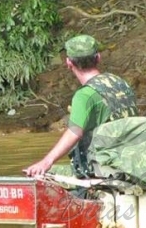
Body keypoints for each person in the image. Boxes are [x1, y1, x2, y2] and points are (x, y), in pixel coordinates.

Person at [24, 34, 139, 178]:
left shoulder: (85, 95)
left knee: (41, 175)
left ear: (68, 62)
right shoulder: (120, 82)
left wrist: (46, 162)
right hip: (132, 164)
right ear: (98, 58)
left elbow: (74, 133)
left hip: (105, 171)